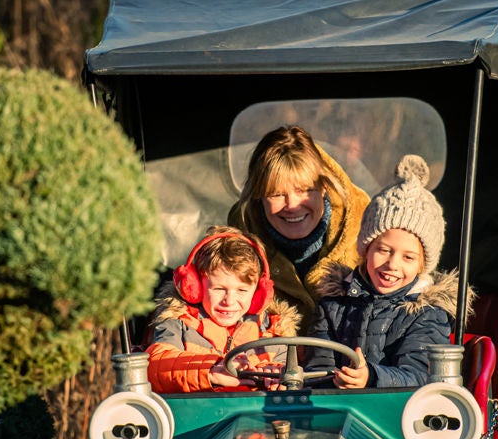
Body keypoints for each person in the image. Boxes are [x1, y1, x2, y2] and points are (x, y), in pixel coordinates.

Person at [305, 154, 463, 389]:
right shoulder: (333, 305)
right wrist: (328, 380)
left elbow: (422, 375)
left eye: (408, 257)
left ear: (422, 265)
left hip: (398, 417)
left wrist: (372, 377)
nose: (392, 264)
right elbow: (317, 369)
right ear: (366, 249)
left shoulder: (427, 313)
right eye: (384, 250)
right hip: (336, 412)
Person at [227, 125, 370, 326]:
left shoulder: (372, 237)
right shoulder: (233, 247)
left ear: (324, 187)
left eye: (304, 190)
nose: (292, 205)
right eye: (276, 194)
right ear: (258, 196)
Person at [146, 226, 299, 393]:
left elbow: (286, 370)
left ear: (259, 294)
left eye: (242, 290)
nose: (229, 301)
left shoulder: (273, 331)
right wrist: (211, 370)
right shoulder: (178, 323)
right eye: (219, 289)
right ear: (195, 287)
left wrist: (282, 378)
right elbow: (153, 367)